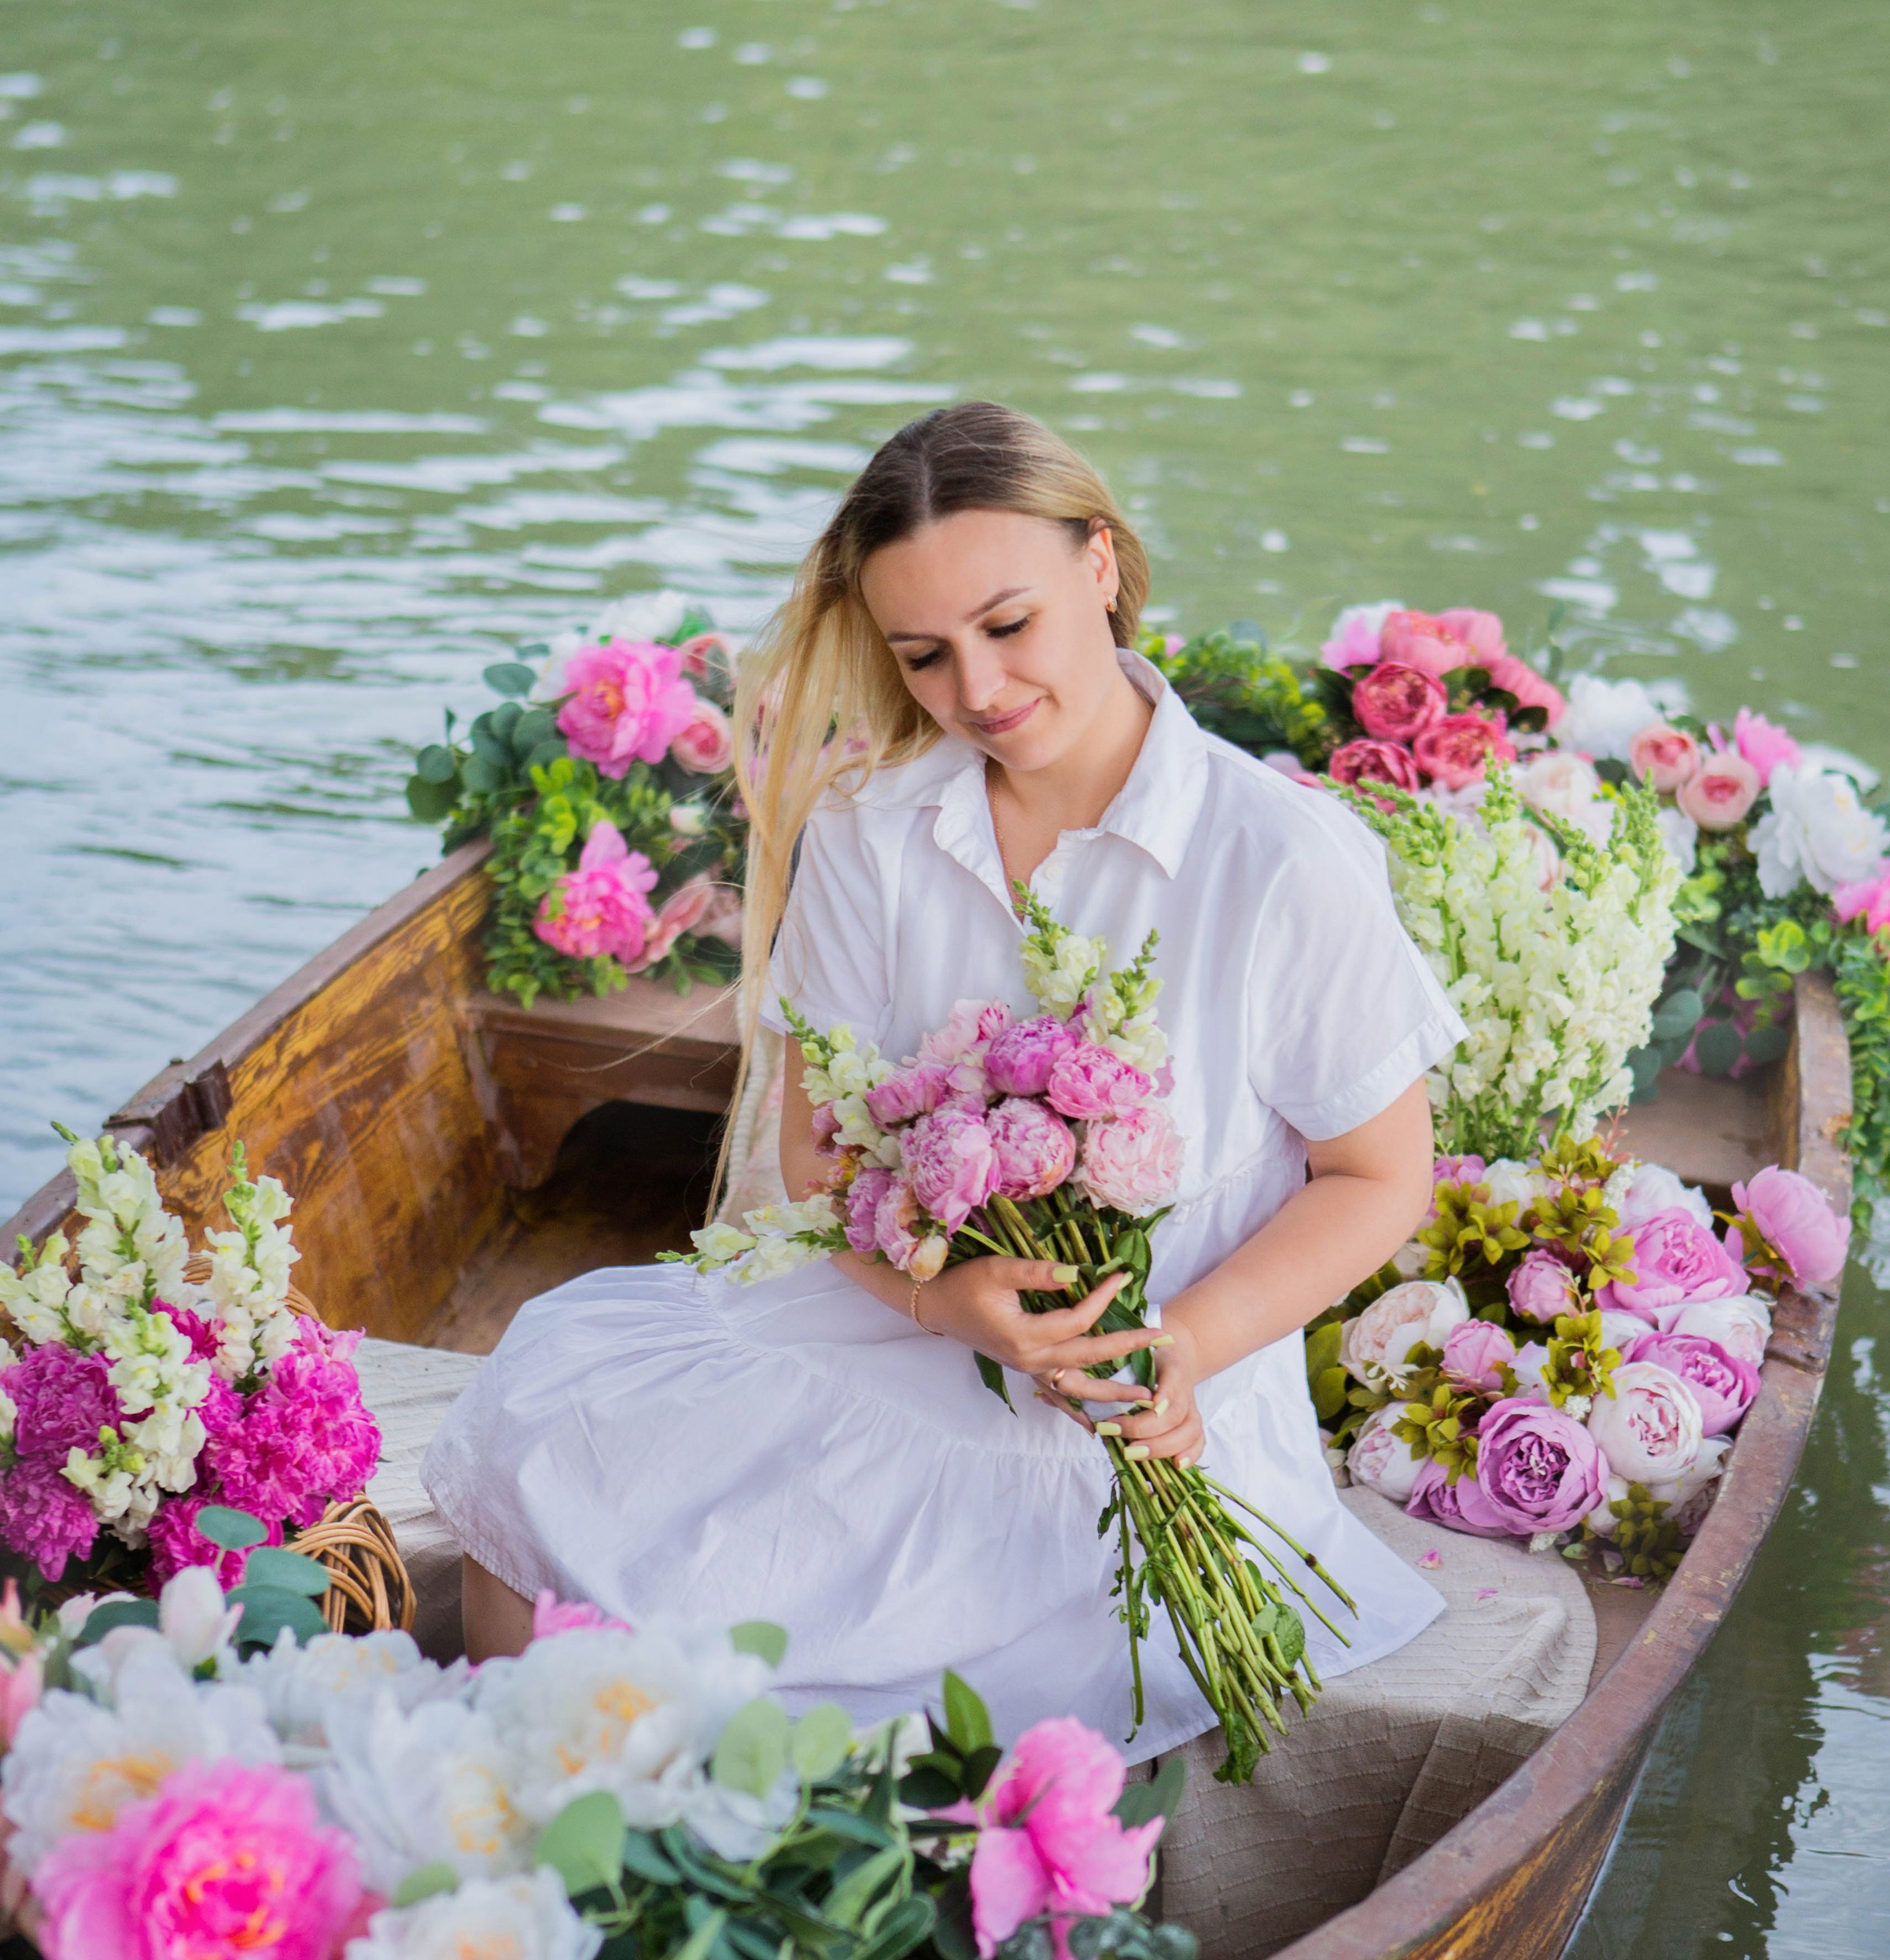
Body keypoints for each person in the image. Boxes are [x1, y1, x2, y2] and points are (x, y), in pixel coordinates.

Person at [425, 402, 1457, 1759]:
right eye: (924, 656)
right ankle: (525, 1812)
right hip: (899, 1321)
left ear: (1101, 563)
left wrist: (1185, 1347)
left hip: (1147, 1403)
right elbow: (821, 1167)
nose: (976, 690)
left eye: (1007, 624)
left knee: (852, 1651)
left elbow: (1380, 1178)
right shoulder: (871, 833)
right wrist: (943, 1296)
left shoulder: (1278, 858)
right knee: (552, 1440)